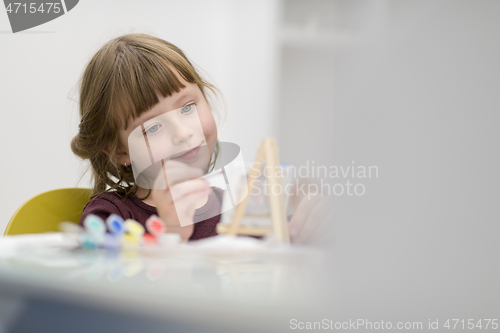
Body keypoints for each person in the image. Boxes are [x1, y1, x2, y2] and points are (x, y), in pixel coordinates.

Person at [72, 33, 328, 244]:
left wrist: (307, 231)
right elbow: (110, 298)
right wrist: (172, 236)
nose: (183, 133)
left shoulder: (241, 206)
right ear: (119, 151)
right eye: (153, 128)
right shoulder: (110, 219)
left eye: (187, 108)